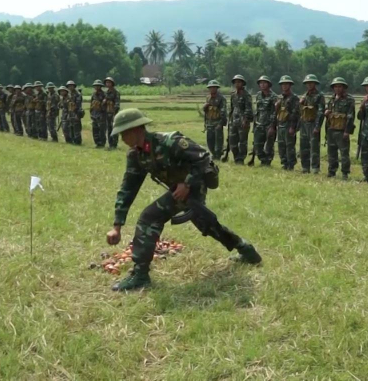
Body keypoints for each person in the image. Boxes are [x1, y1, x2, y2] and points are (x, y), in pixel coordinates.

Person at [105, 108, 262, 291]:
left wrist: (187, 184)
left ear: (136, 129)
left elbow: (203, 158)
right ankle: (245, 249)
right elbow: (128, 188)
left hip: (195, 185)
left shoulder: (170, 141)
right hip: (177, 190)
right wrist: (117, 225)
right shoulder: (136, 155)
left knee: (151, 217)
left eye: (124, 133)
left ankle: (140, 275)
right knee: (206, 224)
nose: (122, 139)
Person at [324, 77, 355, 180]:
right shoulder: (331, 100)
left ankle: (345, 173)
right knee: (331, 152)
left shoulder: (349, 100)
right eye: (335, 86)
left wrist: (347, 131)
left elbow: (350, 117)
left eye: (340, 86)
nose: (337, 88)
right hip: (331, 129)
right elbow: (328, 115)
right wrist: (326, 113)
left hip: (342, 130)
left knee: (344, 153)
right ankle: (331, 171)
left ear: (344, 87)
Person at [298, 74, 325, 174]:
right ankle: (305, 167)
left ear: (315, 84)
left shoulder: (319, 96)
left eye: (311, 83)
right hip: (304, 124)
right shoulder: (304, 96)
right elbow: (300, 111)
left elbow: (321, 112)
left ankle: (315, 168)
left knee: (314, 147)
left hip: (313, 123)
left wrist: (317, 126)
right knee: (303, 146)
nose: (309, 85)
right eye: (307, 83)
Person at [275, 76, 300, 170]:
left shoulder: (294, 98)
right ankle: (284, 163)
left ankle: (291, 164)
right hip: (280, 124)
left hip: (288, 125)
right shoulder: (280, 98)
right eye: (283, 84)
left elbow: (295, 113)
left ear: (290, 85)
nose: (284, 86)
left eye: (286, 84)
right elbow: (276, 112)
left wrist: (293, 127)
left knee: (289, 145)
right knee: (281, 145)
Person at [253, 75, 278, 166]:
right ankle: (263, 159)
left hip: (269, 124)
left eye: (264, 83)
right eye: (261, 83)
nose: (262, 85)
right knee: (257, 145)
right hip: (259, 123)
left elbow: (275, 112)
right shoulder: (258, 95)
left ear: (268, 84)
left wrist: (272, 126)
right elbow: (258, 110)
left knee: (269, 146)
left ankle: (267, 162)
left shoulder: (273, 96)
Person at [228, 74, 253, 164]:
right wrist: (229, 120)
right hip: (233, 121)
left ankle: (241, 158)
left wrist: (246, 120)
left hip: (243, 122)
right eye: (235, 82)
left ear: (243, 83)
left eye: (239, 82)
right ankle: (236, 157)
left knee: (242, 142)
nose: (237, 84)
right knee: (232, 142)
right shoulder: (233, 95)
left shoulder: (247, 95)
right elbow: (231, 108)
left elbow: (249, 109)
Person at [203, 79, 227, 160]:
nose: (212, 89)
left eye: (214, 87)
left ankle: (218, 155)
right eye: (210, 88)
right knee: (210, 140)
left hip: (217, 122)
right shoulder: (208, 97)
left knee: (218, 140)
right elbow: (206, 111)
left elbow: (223, 112)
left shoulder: (221, 98)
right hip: (209, 122)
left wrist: (221, 123)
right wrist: (205, 107)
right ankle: (213, 153)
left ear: (217, 88)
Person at [104, 77, 121, 149]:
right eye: (106, 82)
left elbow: (117, 104)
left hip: (113, 113)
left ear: (112, 83)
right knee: (109, 129)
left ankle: (114, 144)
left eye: (109, 82)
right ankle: (110, 144)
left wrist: (115, 113)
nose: (108, 84)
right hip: (107, 113)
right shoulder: (106, 92)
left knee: (114, 128)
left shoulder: (116, 92)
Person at [64, 80, 84, 145]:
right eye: (69, 86)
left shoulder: (77, 94)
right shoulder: (68, 94)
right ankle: (72, 140)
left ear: (74, 86)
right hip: (70, 112)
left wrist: (77, 114)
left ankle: (78, 141)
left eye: (71, 86)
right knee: (70, 127)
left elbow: (78, 105)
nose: (70, 87)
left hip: (76, 112)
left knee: (76, 128)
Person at [90, 79, 107, 148]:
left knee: (102, 130)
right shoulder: (93, 94)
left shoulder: (104, 94)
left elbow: (105, 105)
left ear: (101, 86)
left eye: (98, 86)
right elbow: (91, 104)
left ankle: (102, 143)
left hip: (101, 114)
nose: (97, 87)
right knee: (95, 129)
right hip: (94, 114)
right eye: (95, 86)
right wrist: (91, 113)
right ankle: (97, 143)